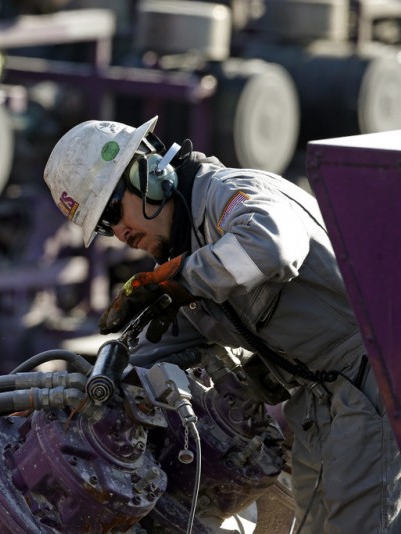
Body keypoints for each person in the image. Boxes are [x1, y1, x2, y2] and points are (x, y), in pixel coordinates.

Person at [42, 116, 401, 533]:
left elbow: (274, 245)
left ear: (149, 174)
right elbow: (156, 353)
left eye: (112, 209)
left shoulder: (225, 195)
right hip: (323, 401)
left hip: (371, 375)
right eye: (104, 227)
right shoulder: (189, 259)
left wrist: (179, 279)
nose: (119, 232)